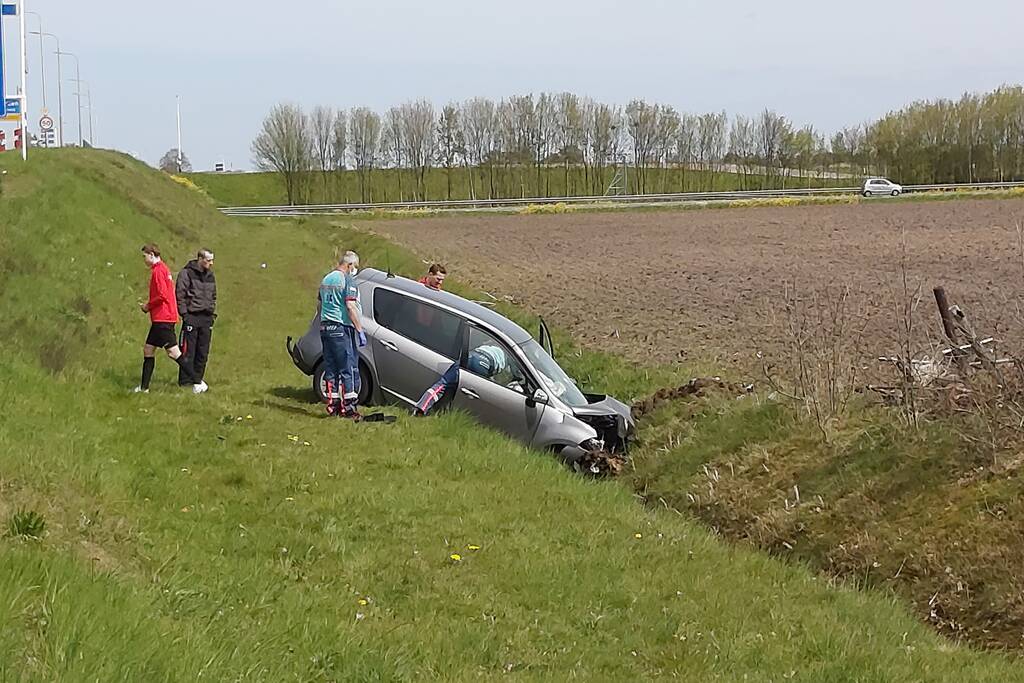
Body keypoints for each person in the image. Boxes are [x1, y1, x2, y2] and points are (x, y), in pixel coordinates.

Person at [135, 244, 197, 393]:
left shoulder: (158, 271)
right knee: (148, 350)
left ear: (151, 254)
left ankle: (198, 381)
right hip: (162, 318)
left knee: (174, 353)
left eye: (144, 256)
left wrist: (148, 306)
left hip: (163, 318)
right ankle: (144, 388)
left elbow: (162, 295)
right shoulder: (164, 269)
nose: (144, 260)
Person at [319, 251, 367, 419]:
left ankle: (333, 405)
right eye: (355, 266)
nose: (355, 270)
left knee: (331, 368)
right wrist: (359, 330)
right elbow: (350, 306)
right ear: (350, 265)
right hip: (341, 328)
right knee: (348, 367)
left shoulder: (326, 279)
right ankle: (349, 407)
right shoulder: (347, 280)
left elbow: (320, 304)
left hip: (325, 327)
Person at [175, 248, 216, 392]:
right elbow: (180, 295)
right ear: (200, 259)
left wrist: (211, 312)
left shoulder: (210, 275)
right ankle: (185, 381)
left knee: (203, 352)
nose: (211, 263)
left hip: (206, 318)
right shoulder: (186, 273)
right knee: (188, 351)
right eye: (209, 260)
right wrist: (185, 314)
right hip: (191, 317)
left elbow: (213, 295)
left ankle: (198, 380)